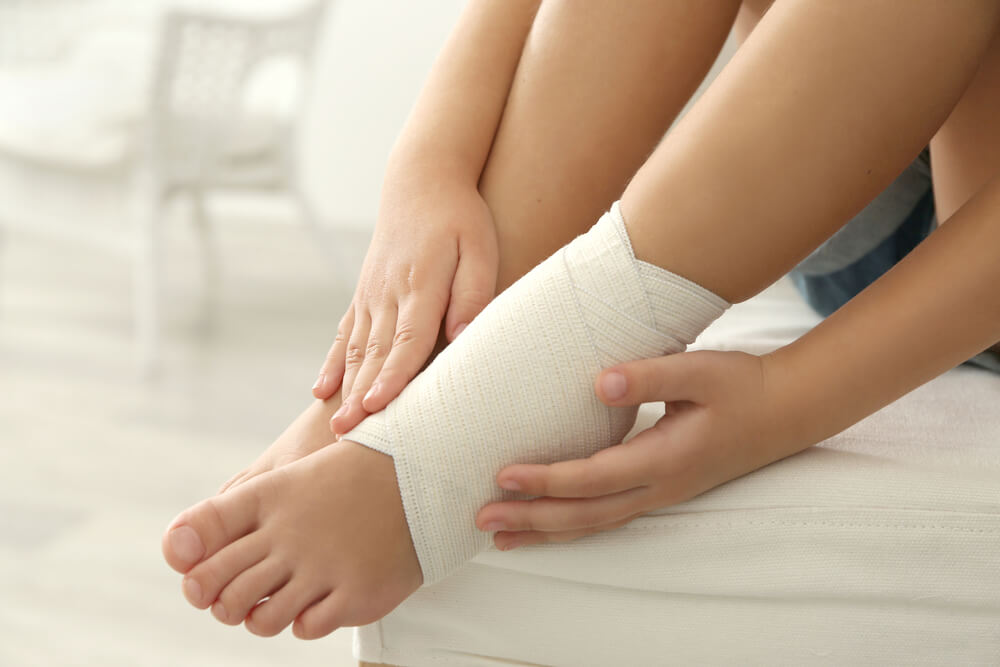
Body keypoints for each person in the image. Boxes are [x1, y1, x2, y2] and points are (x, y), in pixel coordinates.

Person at [161, 0, 1000, 655]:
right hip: (869, 170)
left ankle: (501, 395)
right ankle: (435, 369)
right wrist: (427, 166)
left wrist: (786, 401)